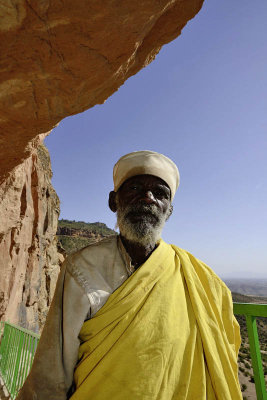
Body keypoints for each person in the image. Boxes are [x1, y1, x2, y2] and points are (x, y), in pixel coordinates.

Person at [17, 150, 242, 400]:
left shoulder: (200, 278)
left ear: (169, 211)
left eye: (160, 193)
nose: (147, 199)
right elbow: (53, 366)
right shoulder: (83, 267)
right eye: (135, 188)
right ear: (114, 201)